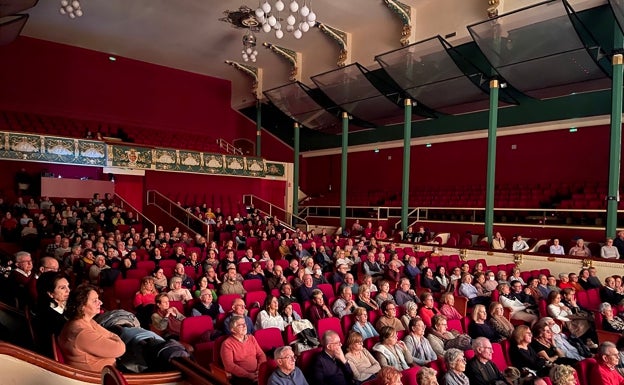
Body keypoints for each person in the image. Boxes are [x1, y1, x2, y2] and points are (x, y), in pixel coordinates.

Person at [58, 284, 125, 371]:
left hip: (109, 371)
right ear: (82, 306)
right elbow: (120, 348)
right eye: (94, 301)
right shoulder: (82, 333)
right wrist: (115, 338)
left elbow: (111, 335)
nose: (100, 302)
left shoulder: (87, 321)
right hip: (101, 378)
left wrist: (113, 338)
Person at [221, 315, 267, 385]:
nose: (245, 326)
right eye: (240, 325)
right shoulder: (227, 344)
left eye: (244, 324)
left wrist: (259, 369)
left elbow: (261, 354)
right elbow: (229, 365)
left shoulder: (251, 338)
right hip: (241, 376)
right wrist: (248, 375)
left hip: (258, 372)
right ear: (233, 330)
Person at [35, 272, 70, 357]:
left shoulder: (65, 305)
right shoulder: (49, 317)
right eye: (62, 288)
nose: (68, 290)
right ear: (50, 294)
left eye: (68, 286)